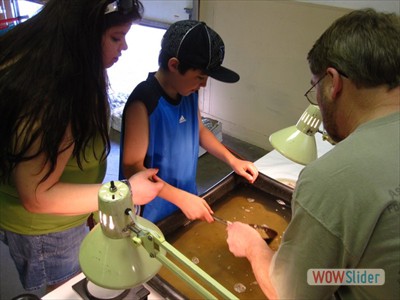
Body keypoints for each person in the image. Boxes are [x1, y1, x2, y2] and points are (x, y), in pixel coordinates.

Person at [226, 8, 399, 300]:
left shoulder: (334, 179)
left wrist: (254, 247)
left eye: (315, 87)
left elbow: (286, 295)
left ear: (333, 82)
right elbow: (375, 273)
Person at [0, 0, 163, 293]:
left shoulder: (64, 61)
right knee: (67, 291)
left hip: (62, 210)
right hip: (46, 230)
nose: (123, 47)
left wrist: (90, 203)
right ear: (82, 34)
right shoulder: (52, 94)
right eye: (116, 37)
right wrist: (127, 193)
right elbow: (37, 196)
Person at [119, 20, 259, 223]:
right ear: (174, 65)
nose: (204, 84)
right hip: (151, 208)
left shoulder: (188, 92)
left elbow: (199, 130)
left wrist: (233, 160)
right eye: (200, 77)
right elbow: (132, 167)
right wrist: (179, 198)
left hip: (186, 197)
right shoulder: (143, 102)